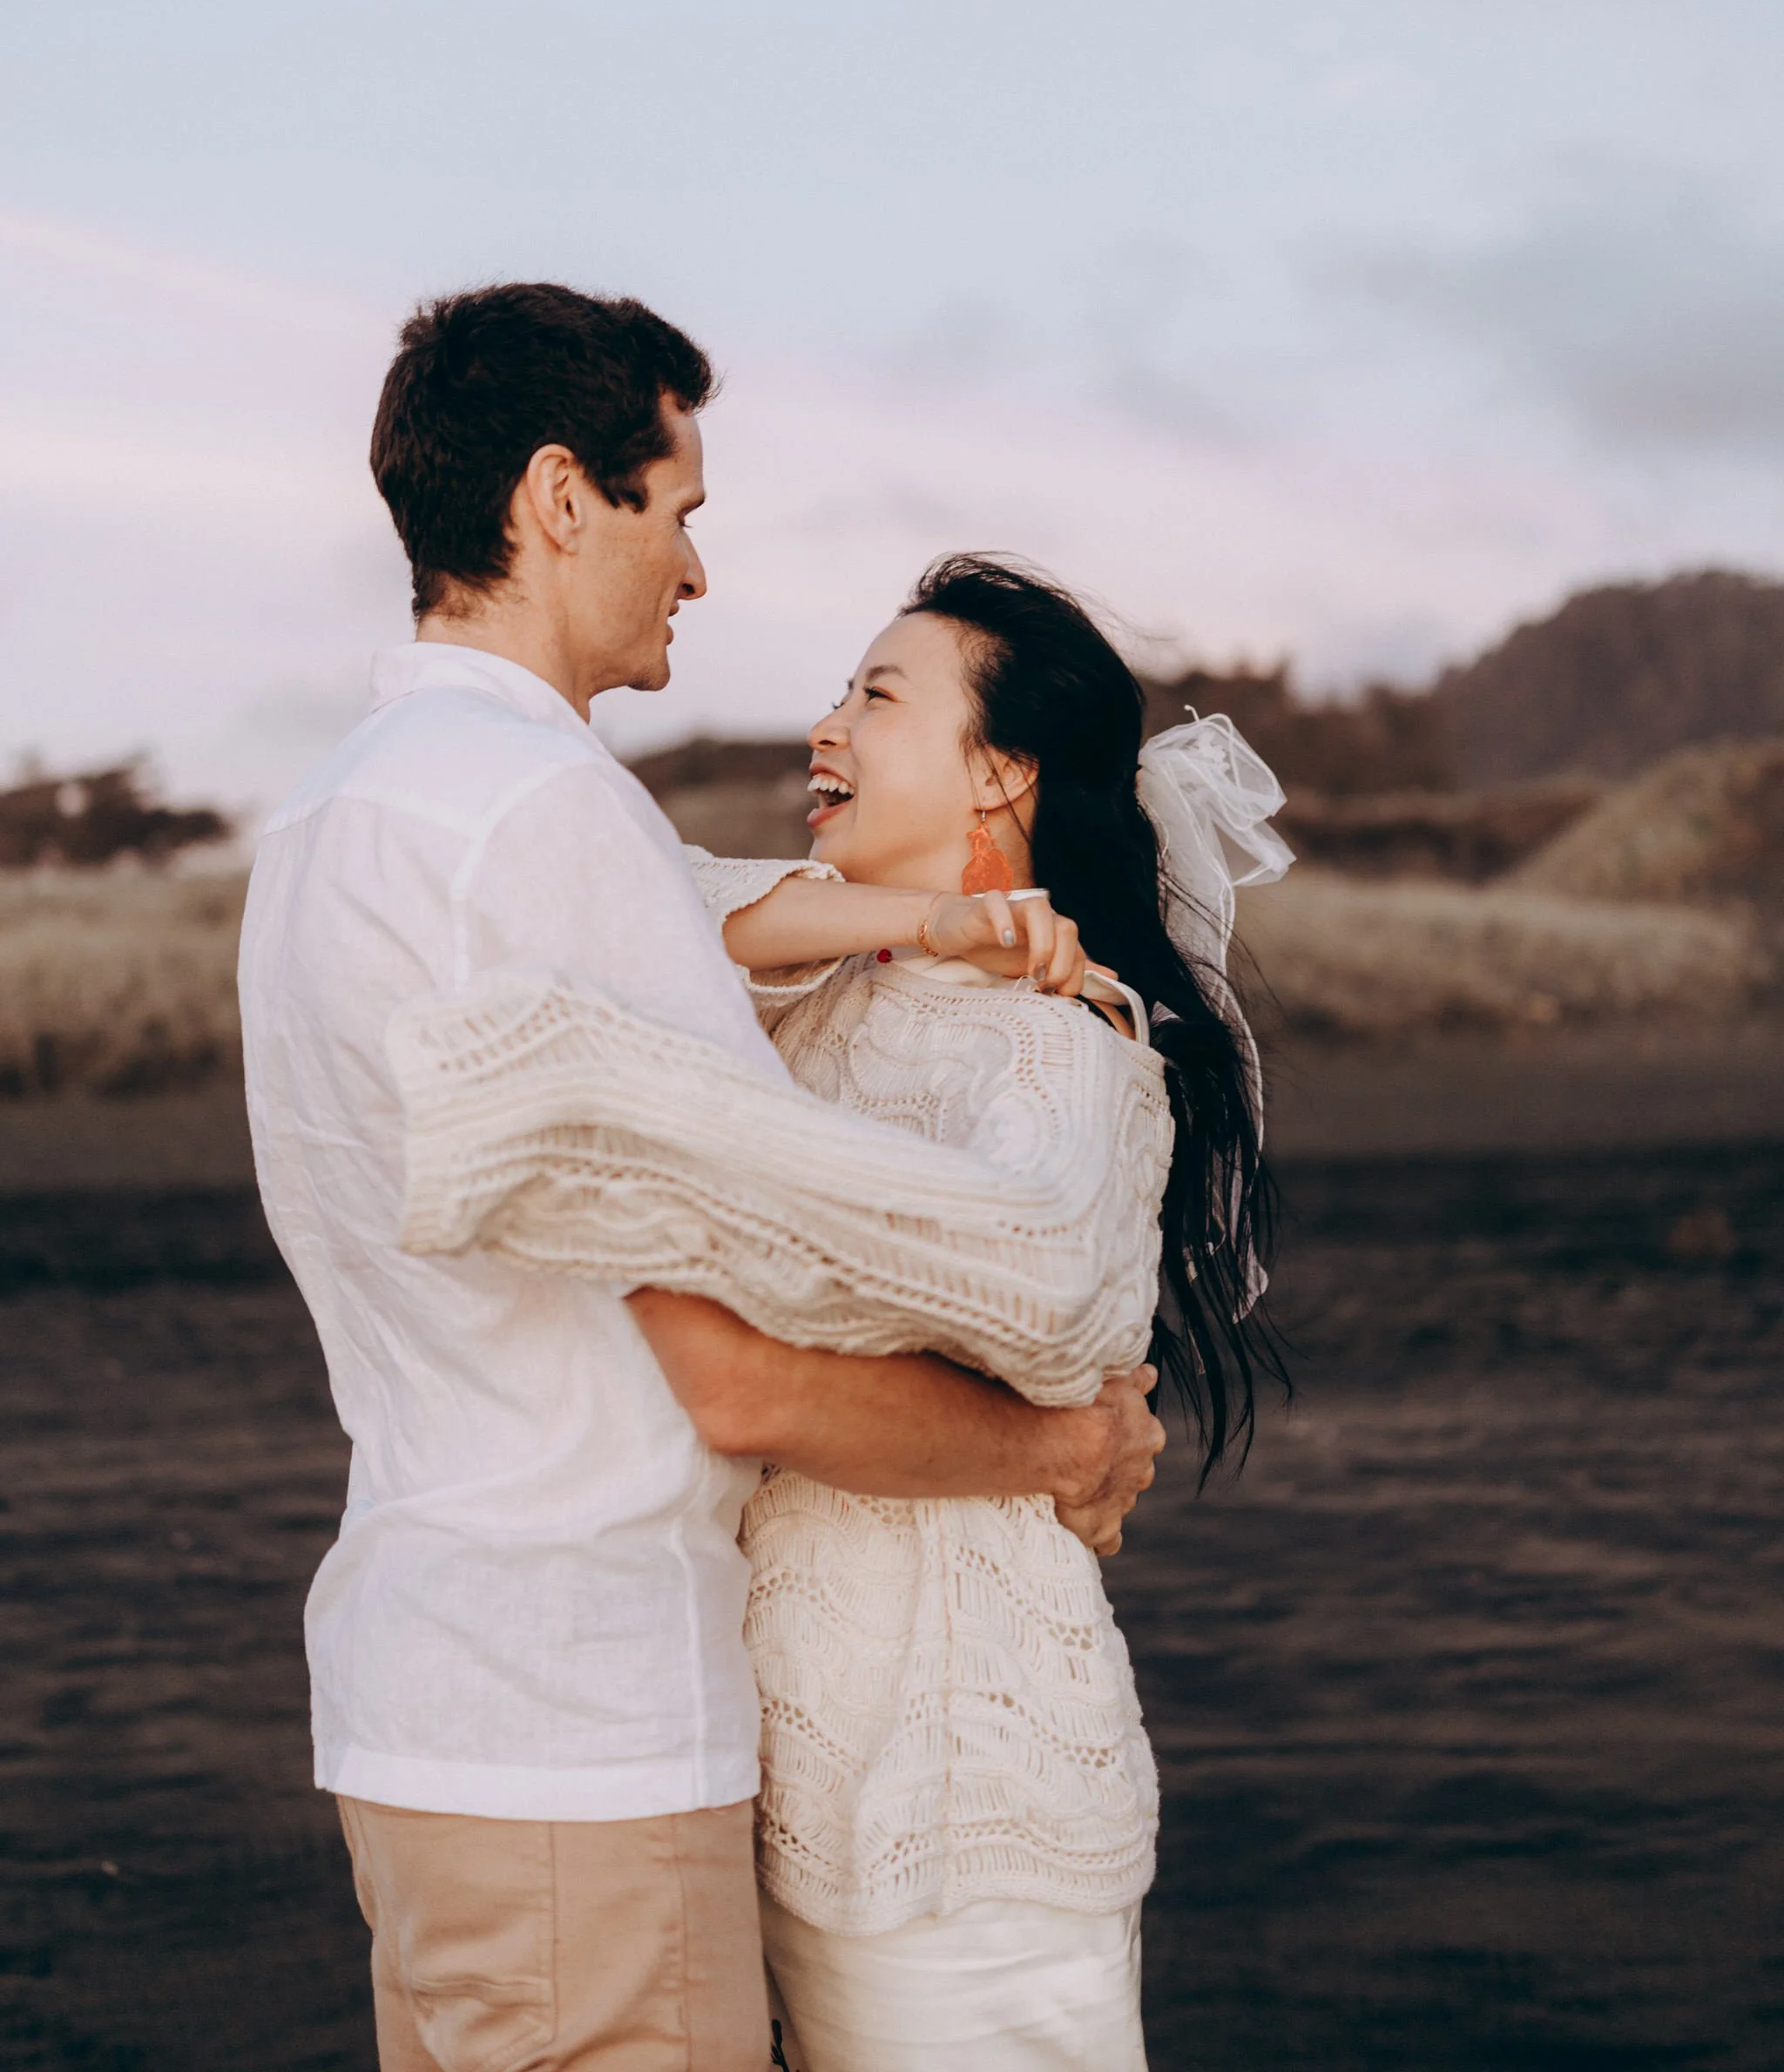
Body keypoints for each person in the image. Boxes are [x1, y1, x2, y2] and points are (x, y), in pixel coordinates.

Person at [238, 283, 1164, 2072]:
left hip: (417, 1699)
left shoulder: (331, 817)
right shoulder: (549, 817)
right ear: (556, 499)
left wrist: (933, 925)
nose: (698, 567)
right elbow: (735, 1366)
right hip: (583, 1716)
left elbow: (719, 923)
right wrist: (1062, 1446)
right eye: (676, 508)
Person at [695, 557, 1292, 2071]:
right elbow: (644, 909)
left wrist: (699, 1216)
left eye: (878, 697)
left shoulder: (1068, 1044)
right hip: (777, 1795)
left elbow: (1034, 1295)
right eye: (840, 693)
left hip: (967, 1816)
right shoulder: (822, 990)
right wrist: (919, 921)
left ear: (1002, 770)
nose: (826, 728)